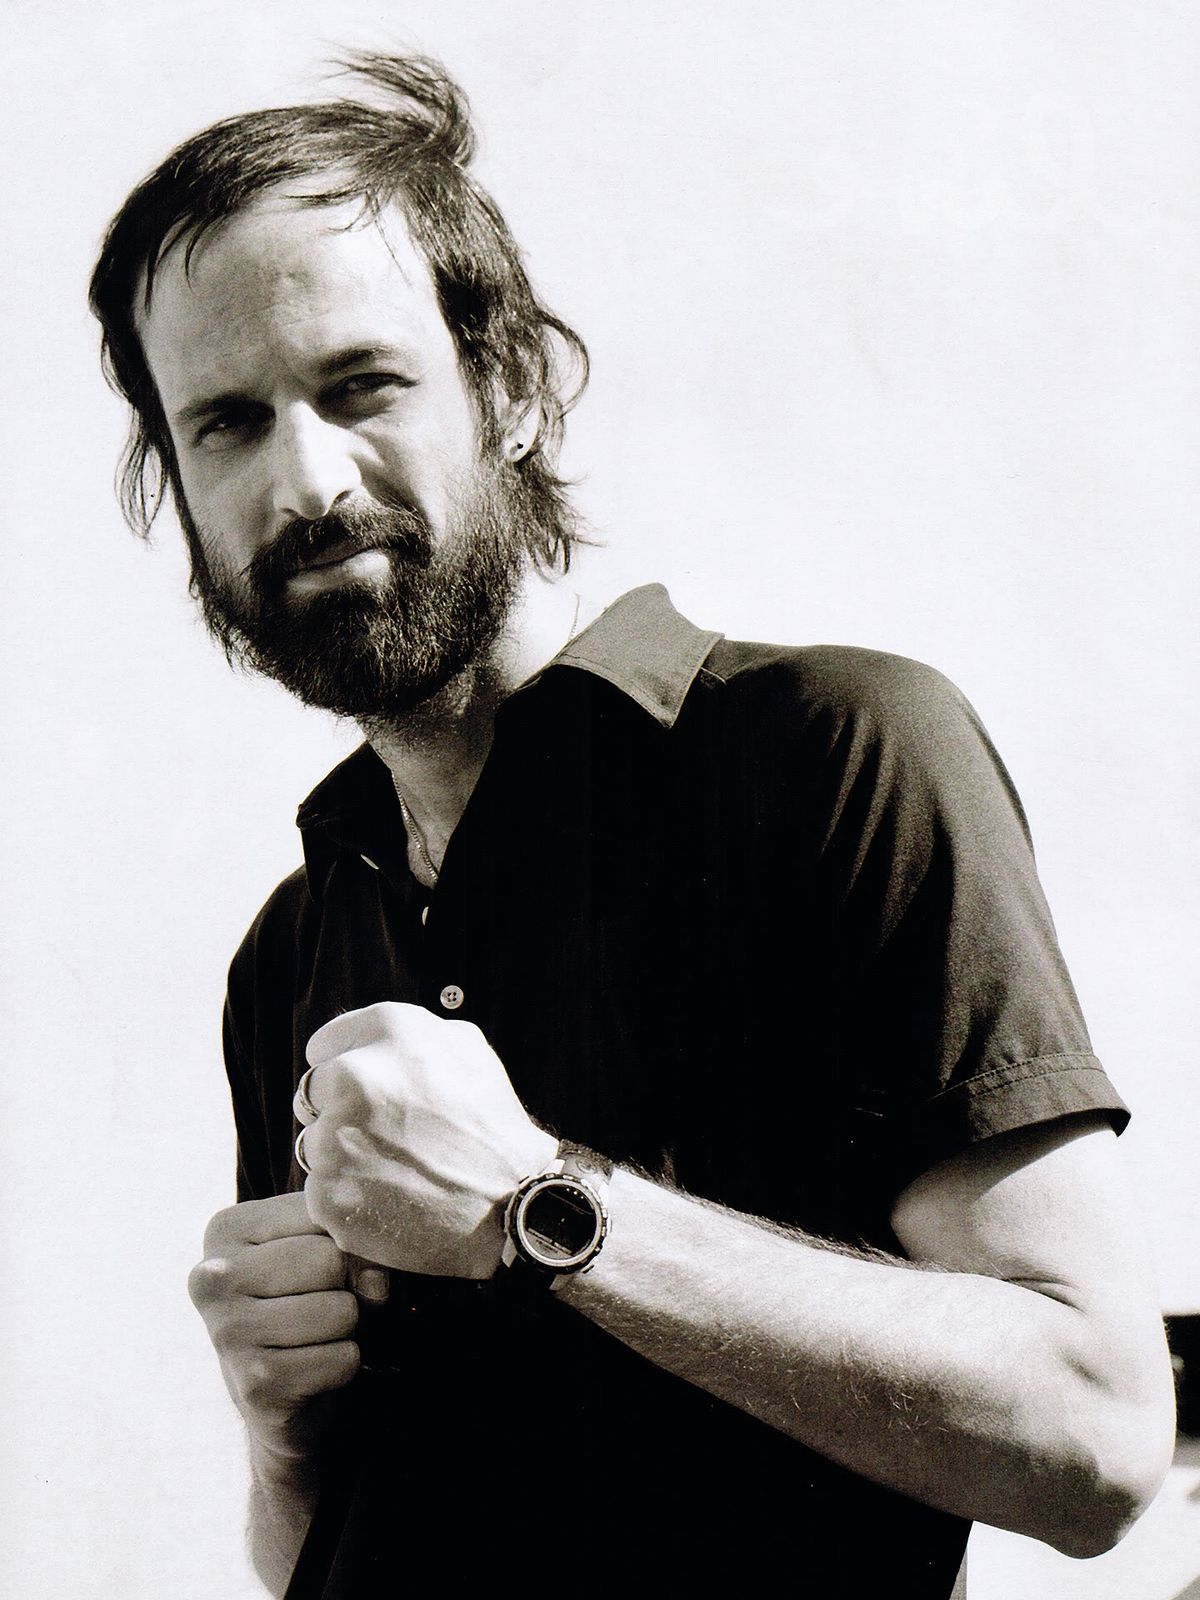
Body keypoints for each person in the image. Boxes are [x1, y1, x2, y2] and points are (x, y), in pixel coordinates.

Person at [88, 52, 1175, 1600]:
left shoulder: (836, 756)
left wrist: (539, 1205)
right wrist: (283, 1440)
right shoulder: (300, 938)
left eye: (362, 386)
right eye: (227, 424)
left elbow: (1097, 1434)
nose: (306, 479)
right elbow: (318, 1555)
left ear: (517, 388)